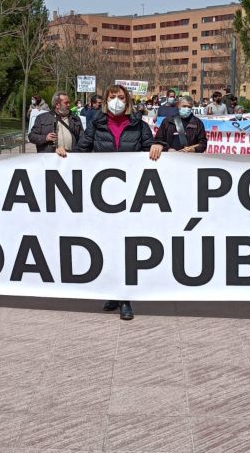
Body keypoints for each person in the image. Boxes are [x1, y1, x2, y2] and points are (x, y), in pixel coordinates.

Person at [56, 84, 162, 321]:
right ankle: (113, 291)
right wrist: (66, 155)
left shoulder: (140, 126)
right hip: (103, 197)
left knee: (127, 247)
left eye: (121, 97)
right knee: (108, 245)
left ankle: (125, 298)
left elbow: (149, 151)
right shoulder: (96, 124)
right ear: (105, 100)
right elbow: (83, 149)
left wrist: (157, 145)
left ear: (128, 101)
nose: (117, 101)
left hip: (132, 196)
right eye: (113, 97)